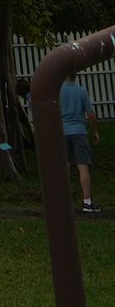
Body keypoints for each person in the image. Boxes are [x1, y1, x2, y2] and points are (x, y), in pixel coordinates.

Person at [60, 73, 100, 214]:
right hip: (79, 132)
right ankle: (87, 202)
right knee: (83, 168)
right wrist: (95, 131)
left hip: (62, 132)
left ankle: (62, 201)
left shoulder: (58, 90)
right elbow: (91, 115)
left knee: (63, 167)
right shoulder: (81, 91)